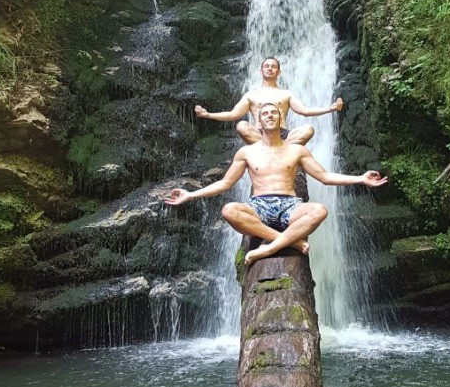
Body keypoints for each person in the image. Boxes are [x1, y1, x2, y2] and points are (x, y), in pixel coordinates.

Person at [164, 102, 387, 266]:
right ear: (259, 122)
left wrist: (360, 179)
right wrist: (190, 195)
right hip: (258, 205)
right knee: (229, 210)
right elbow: (225, 184)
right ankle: (287, 241)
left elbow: (325, 177)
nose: (270, 116)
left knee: (320, 210)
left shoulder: (297, 150)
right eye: (265, 114)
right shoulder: (246, 152)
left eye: (274, 113)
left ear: (281, 120)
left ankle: (268, 248)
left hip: (290, 205)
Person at [193, 56, 343, 146]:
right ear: (261, 71)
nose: (270, 69)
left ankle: (281, 148)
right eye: (266, 66)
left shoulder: (286, 94)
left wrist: (330, 108)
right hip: (259, 135)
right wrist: (207, 115)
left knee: (308, 129)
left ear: (279, 72)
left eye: (273, 67)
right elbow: (233, 115)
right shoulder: (251, 95)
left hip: (283, 135)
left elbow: (305, 111)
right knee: (242, 126)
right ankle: (269, 148)